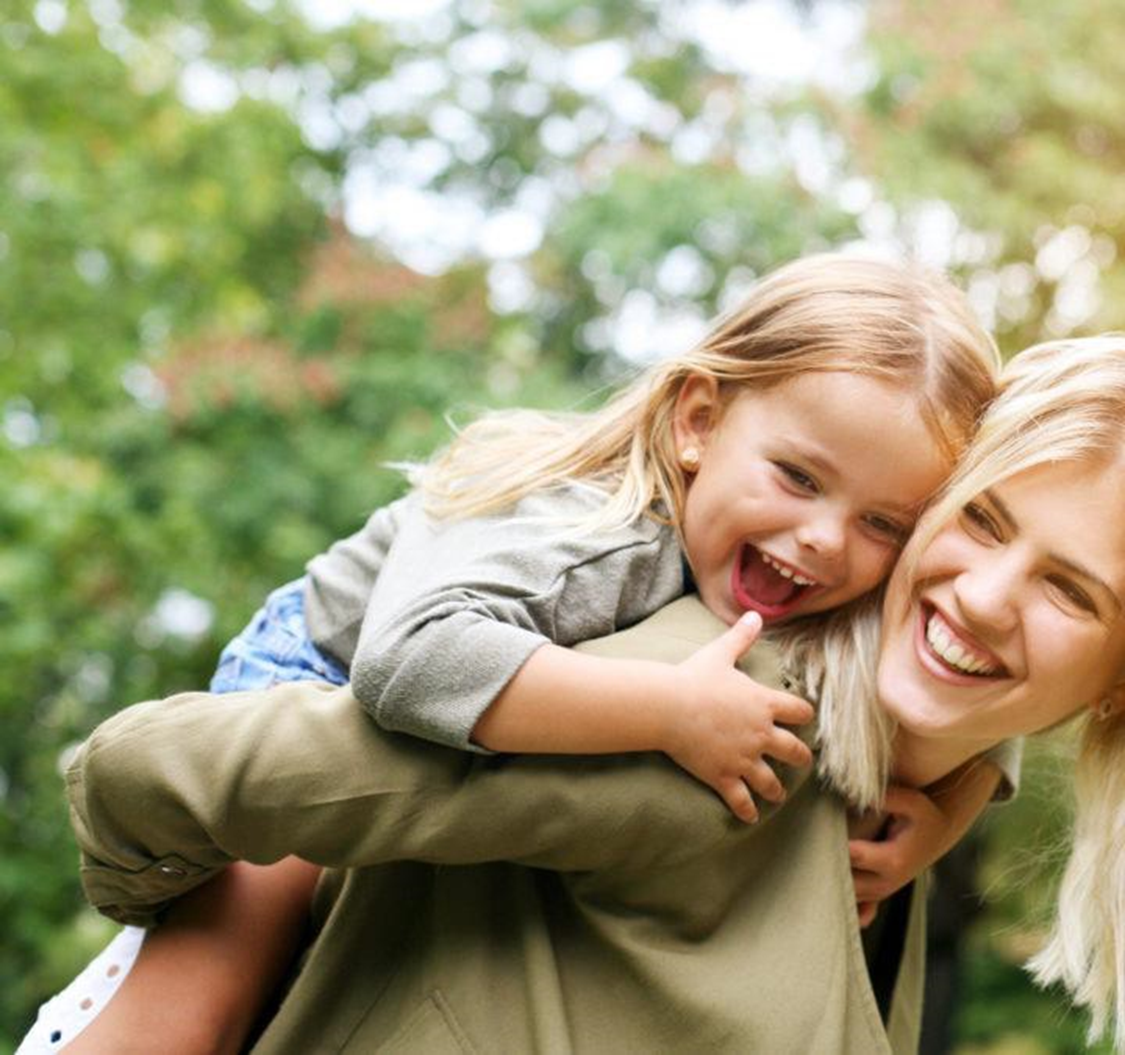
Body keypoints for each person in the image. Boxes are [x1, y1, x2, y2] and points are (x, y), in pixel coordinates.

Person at [20, 252, 1007, 1053]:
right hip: (323, 666)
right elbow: (411, 659)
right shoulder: (592, 532)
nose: (827, 539)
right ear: (699, 419)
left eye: (884, 521)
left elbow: (980, 716)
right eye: (797, 475)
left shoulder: (812, 577)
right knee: (214, 983)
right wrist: (668, 711)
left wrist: (937, 822)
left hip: (476, 694)